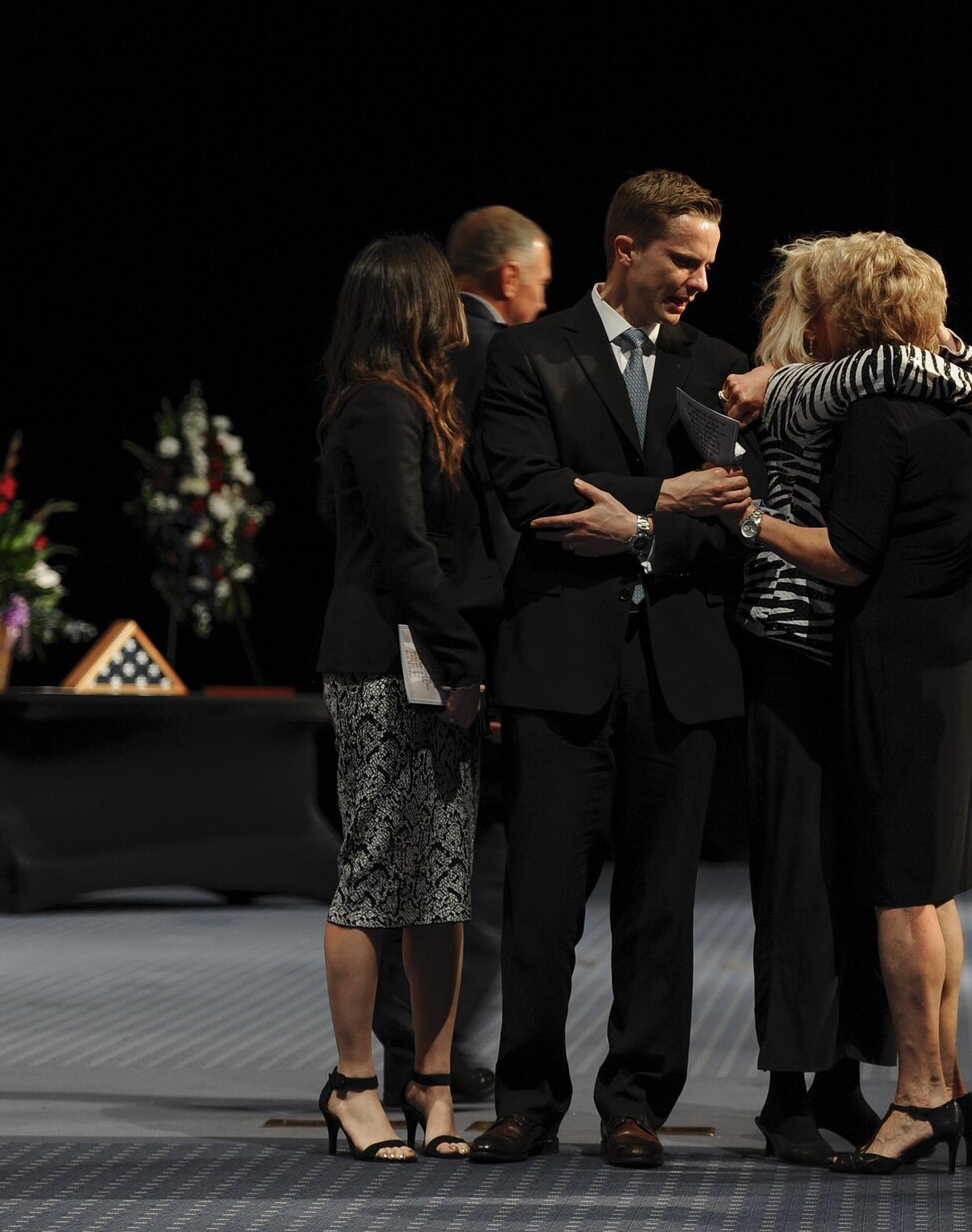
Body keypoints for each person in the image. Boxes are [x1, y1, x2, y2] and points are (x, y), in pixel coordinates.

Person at [473, 170, 754, 1169]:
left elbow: (733, 526)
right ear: (624, 247)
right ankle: (525, 1099)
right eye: (683, 260)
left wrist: (636, 518)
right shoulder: (527, 353)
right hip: (559, 669)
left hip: (680, 672)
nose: (698, 282)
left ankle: (635, 1102)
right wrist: (672, 497)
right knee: (541, 904)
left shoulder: (721, 368)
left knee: (659, 907)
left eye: (707, 265)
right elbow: (531, 494)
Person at [718, 231, 972, 1177]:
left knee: (890, 884)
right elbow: (943, 366)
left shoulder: (878, 397)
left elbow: (848, 551)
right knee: (876, 882)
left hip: (876, 650)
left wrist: (750, 521)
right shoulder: (930, 396)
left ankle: (904, 1087)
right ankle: (857, 1083)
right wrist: (954, 364)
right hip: (865, 650)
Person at [372, 205, 552, 1107]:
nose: (547, 297)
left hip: (419, 628)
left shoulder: (408, 362)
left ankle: (416, 1045)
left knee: (424, 843)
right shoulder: (497, 359)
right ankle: (421, 1049)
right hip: (470, 629)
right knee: (473, 852)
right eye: (546, 281)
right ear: (510, 277)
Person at [313, 234, 487, 1161]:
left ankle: (433, 1080)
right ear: (414, 305)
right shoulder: (381, 406)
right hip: (386, 665)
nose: (462, 309)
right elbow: (406, 552)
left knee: (442, 881)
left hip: (426, 666)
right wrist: (467, 663)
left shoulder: (417, 402)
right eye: (446, 295)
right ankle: (352, 1085)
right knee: (375, 873)